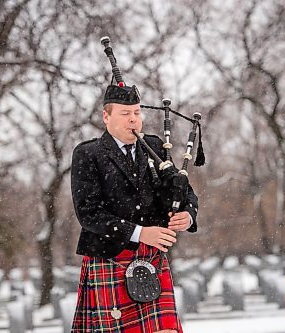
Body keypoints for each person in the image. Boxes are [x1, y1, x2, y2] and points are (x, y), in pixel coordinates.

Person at [70, 82, 198, 333]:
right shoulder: (88, 154)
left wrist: (188, 214)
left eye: (137, 113)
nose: (133, 120)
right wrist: (140, 232)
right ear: (106, 117)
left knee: (166, 329)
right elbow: (88, 213)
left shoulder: (155, 147)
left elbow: (184, 192)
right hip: (110, 256)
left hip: (151, 255)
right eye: (125, 114)